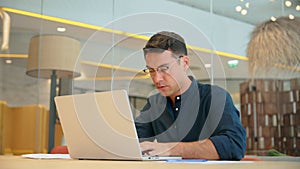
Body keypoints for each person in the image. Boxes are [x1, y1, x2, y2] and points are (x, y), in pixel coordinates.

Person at [135, 31, 246, 160]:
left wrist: (171, 149)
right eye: (151, 70)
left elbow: (234, 145)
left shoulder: (215, 97)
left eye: (164, 68)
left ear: (185, 63)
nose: (157, 78)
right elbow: (134, 141)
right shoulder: (154, 104)